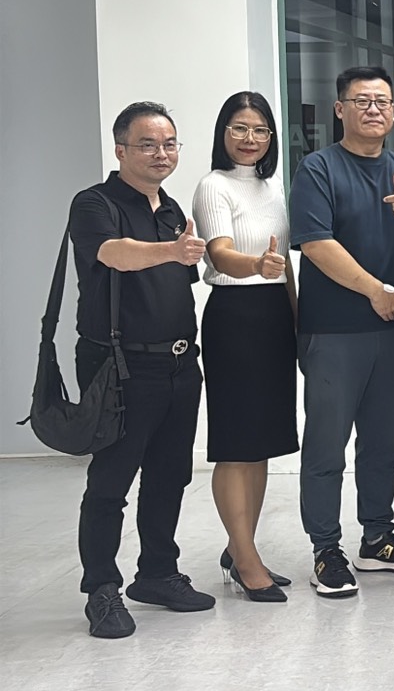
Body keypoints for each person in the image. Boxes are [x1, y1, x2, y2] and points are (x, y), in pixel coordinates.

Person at [292, 65, 394, 598]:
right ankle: (326, 549)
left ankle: (377, 537)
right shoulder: (317, 168)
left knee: (384, 441)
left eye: (382, 101)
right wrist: (374, 289)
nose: (373, 109)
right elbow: (316, 243)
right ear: (340, 109)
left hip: (390, 331)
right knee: (327, 445)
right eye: (361, 100)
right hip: (333, 330)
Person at [70, 102, 214, 637]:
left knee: (170, 475)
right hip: (120, 364)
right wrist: (172, 250)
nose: (161, 153)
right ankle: (101, 590)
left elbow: (176, 281)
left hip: (179, 363)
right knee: (111, 479)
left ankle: (156, 573)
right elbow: (115, 254)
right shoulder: (94, 203)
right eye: (148, 144)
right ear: (120, 149)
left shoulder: (172, 208)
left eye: (170, 144)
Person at [191, 92, 298, 603]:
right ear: (223, 133)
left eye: (260, 130)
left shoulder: (272, 187)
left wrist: (298, 323)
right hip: (235, 317)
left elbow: (285, 264)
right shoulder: (213, 185)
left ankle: (241, 549)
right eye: (239, 128)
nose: (250, 139)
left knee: (262, 443)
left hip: (275, 316)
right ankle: (246, 559)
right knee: (236, 444)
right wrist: (257, 266)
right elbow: (220, 254)